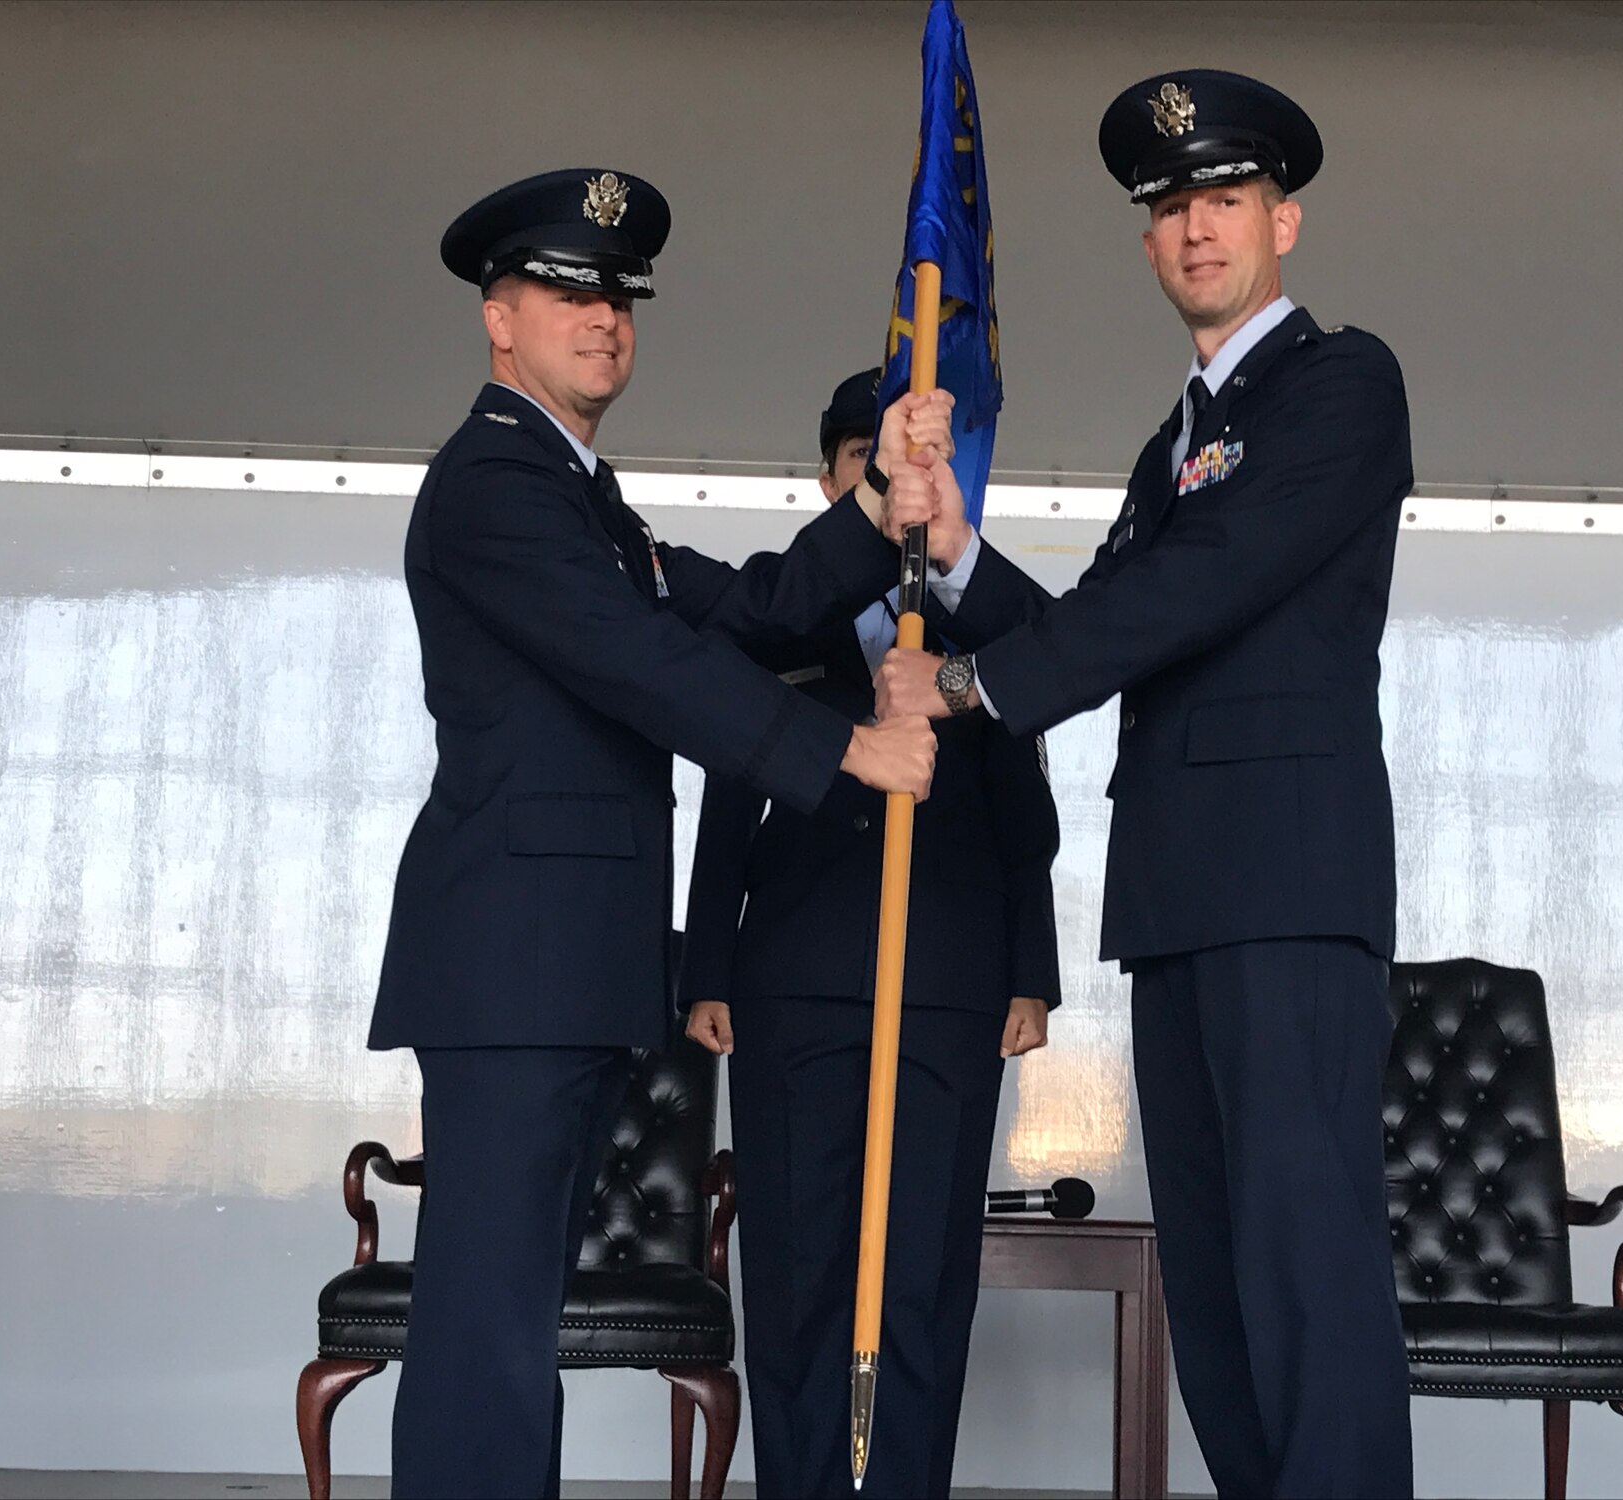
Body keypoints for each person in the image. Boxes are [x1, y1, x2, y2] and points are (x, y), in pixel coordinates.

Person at [366, 168, 954, 1500]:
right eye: (567, 293)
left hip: (561, 969)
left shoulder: (579, 496)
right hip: (511, 968)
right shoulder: (493, 483)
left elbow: (739, 612)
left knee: (512, 1318)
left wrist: (877, 502)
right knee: (488, 1329)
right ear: (497, 320)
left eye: (620, 298)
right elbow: (642, 664)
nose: (604, 318)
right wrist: (842, 750)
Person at [874, 72, 1416, 1499]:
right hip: (1177, 903)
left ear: (1283, 222)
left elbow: (1204, 585)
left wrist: (970, 687)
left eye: (1225, 199)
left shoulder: (1340, 385)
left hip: (1287, 892)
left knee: (1305, 1273)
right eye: (1170, 208)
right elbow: (1106, 619)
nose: (1196, 228)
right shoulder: (1167, 447)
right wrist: (959, 558)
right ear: (1146, 242)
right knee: (1221, 1292)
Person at [680, 368, 1060, 1499]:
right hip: (793, 984)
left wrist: (1031, 973)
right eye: (869, 461)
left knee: (919, 1277)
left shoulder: (979, 630)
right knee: (797, 1270)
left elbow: (1025, 818)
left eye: (918, 464)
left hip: (946, 985)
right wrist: (707, 966)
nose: (897, 483)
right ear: (833, 478)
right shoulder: (779, 615)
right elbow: (727, 798)